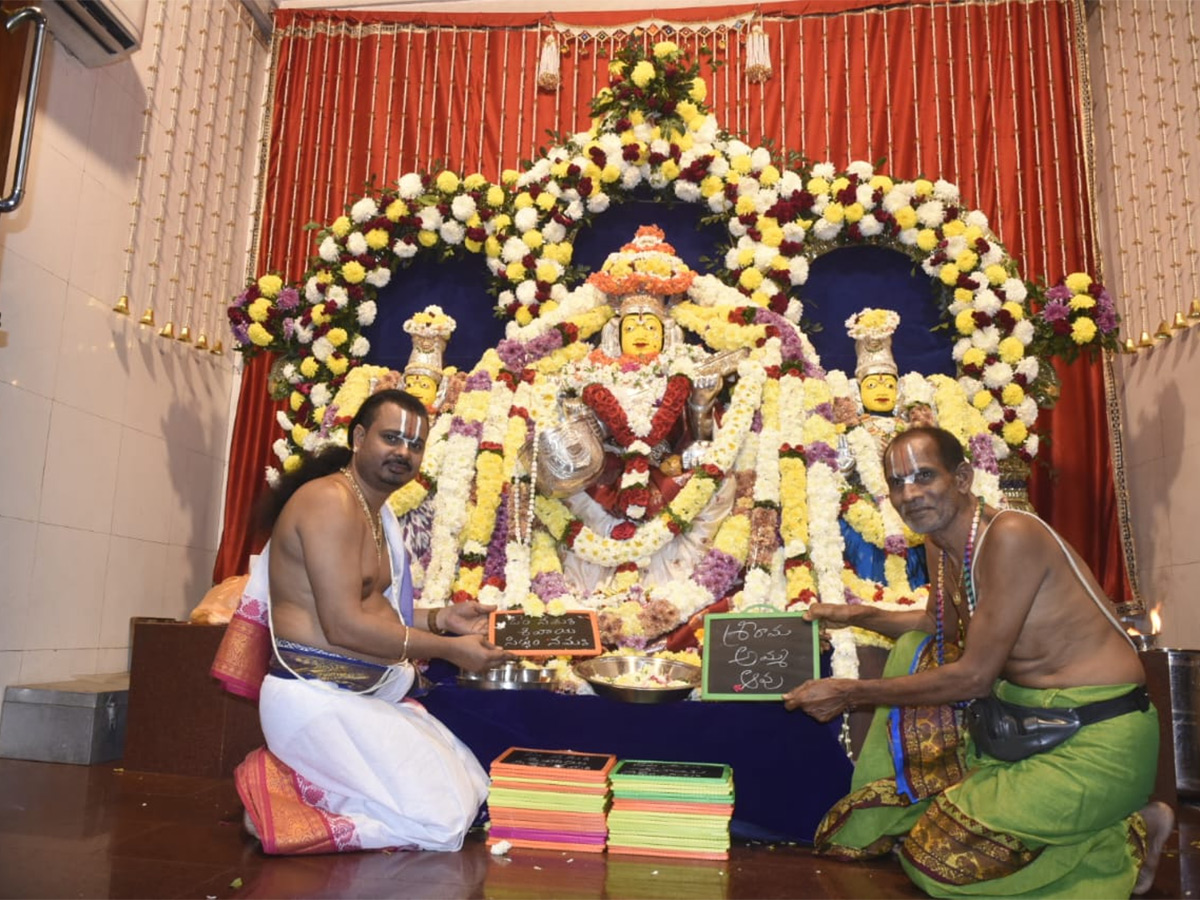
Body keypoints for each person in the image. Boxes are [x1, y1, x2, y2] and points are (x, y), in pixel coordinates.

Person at [783, 425, 1173, 897]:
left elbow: (973, 677)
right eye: (898, 482)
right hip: (1019, 729)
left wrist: (851, 693)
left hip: (1091, 738)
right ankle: (982, 804)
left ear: (963, 477)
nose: (910, 493)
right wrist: (856, 615)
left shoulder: (1010, 535)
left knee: (938, 865)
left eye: (924, 476)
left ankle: (1129, 834)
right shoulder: (941, 540)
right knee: (915, 654)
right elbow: (938, 628)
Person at [217, 388, 510, 855]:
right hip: (315, 699)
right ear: (358, 437)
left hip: (354, 695)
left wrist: (444, 619)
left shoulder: (374, 510)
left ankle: (312, 791)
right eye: (391, 438)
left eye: (414, 445)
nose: (403, 452)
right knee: (443, 820)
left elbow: (372, 604)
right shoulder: (329, 502)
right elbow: (345, 627)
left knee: (468, 785)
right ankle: (288, 811)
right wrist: (450, 649)